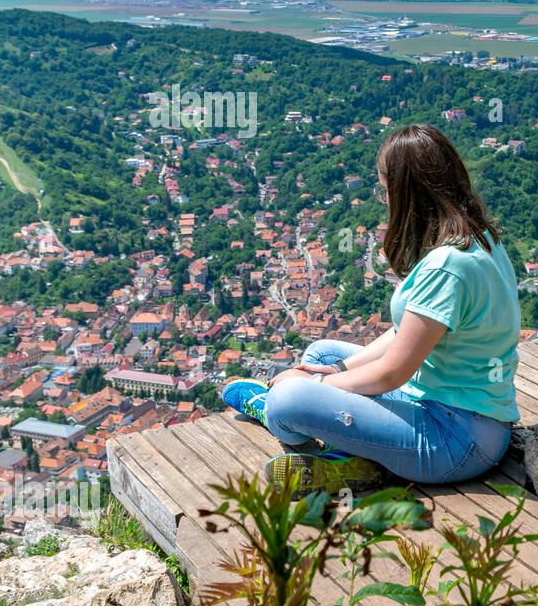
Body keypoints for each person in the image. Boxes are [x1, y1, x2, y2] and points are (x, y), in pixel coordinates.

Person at [220, 124, 521, 497]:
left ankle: (275, 414)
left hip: (455, 441)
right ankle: (357, 462)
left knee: (288, 399)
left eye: (384, 189)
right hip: (456, 410)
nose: (385, 199)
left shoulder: (448, 265)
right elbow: (407, 334)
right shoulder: (476, 237)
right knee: (321, 354)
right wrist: (337, 370)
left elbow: (391, 373)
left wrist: (314, 385)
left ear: (404, 191)